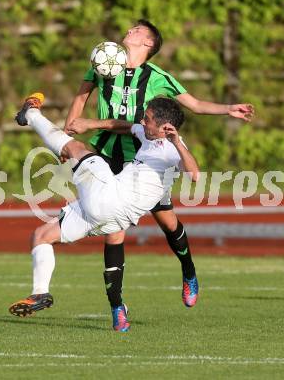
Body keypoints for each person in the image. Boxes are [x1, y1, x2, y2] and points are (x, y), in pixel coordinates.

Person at [64, 19, 254, 321]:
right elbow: (81, 95)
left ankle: (189, 271)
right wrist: (69, 131)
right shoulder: (104, 58)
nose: (128, 31)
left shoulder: (156, 76)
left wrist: (228, 108)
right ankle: (117, 307)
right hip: (104, 152)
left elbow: (195, 104)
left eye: (136, 30)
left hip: (143, 159)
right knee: (114, 231)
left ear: (148, 43)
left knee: (167, 221)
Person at [9, 93, 200, 332]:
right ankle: (39, 294)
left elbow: (194, 174)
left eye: (147, 118)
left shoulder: (172, 149)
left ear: (165, 128)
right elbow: (125, 127)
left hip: (109, 197)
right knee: (41, 236)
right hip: (110, 217)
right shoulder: (147, 133)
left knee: (74, 147)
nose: (142, 121)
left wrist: (177, 142)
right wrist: (91, 123)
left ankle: (31, 114)